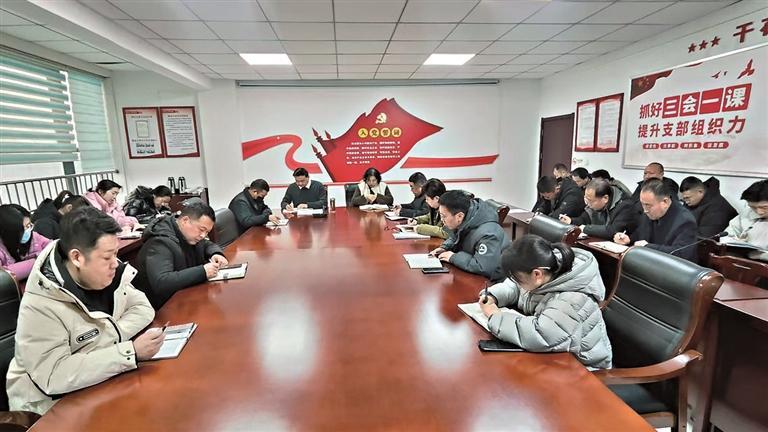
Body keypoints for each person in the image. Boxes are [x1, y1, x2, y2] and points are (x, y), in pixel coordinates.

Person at [6, 207, 161, 415]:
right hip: (47, 407)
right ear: (77, 257)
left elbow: (143, 308)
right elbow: (53, 375)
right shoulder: (40, 302)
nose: (115, 263)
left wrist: (105, 342)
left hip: (97, 381)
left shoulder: (103, 273)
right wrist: (127, 352)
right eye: (107, 257)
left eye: (116, 254)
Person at [478, 235, 612, 370]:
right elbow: (517, 287)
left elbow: (541, 334)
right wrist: (493, 295)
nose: (516, 282)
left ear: (537, 274)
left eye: (517, 278)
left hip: (584, 368)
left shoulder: (571, 300)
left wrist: (495, 316)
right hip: (556, 356)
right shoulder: (546, 269)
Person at [133, 202, 228, 309]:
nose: (203, 235)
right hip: (162, 308)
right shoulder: (159, 242)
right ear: (185, 220)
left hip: (186, 298)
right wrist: (203, 271)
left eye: (207, 232)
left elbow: (206, 244)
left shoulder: (188, 234)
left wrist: (216, 253)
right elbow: (162, 282)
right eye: (201, 230)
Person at [429, 190, 509, 281]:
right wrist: (444, 247)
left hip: (492, 282)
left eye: (444, 216)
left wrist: (453, 257)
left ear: (459, 216)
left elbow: (483, 267)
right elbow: (457, 236)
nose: (442, 220)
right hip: (471, 274)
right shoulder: (468, 218)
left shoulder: (489, 233)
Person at [614, 179, 697, 262]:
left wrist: (648, 247)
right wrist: (628, 239)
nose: (645, 210)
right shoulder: (650, 212)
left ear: (665, 202)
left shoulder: (685, 221)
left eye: (648, 205)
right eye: (642, 204)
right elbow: (641, 234)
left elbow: (680, 254)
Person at [560, 179, 640, 239]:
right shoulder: (596, 202)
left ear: (605, 198)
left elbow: (613, 231)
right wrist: (571, 221)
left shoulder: (625, 206)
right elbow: (584, 219)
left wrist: (585, 228)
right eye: (586, 199)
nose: (587, 204)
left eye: (590, 201)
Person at [0, 204, 51, 281]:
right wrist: (37, 262)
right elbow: (3, 276)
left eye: (29, 225)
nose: (28, 230)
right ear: (9, 232)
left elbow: (51, 247)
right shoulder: (1, 249)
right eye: (23, 228)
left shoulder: (34, 237)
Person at [726, 179, 768, 262]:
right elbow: (726, 236)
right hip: (741, 261)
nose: (759, 212)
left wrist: (760, 255)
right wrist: (737, 243)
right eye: (753, 207)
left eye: (764, 207)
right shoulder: (747, 213)